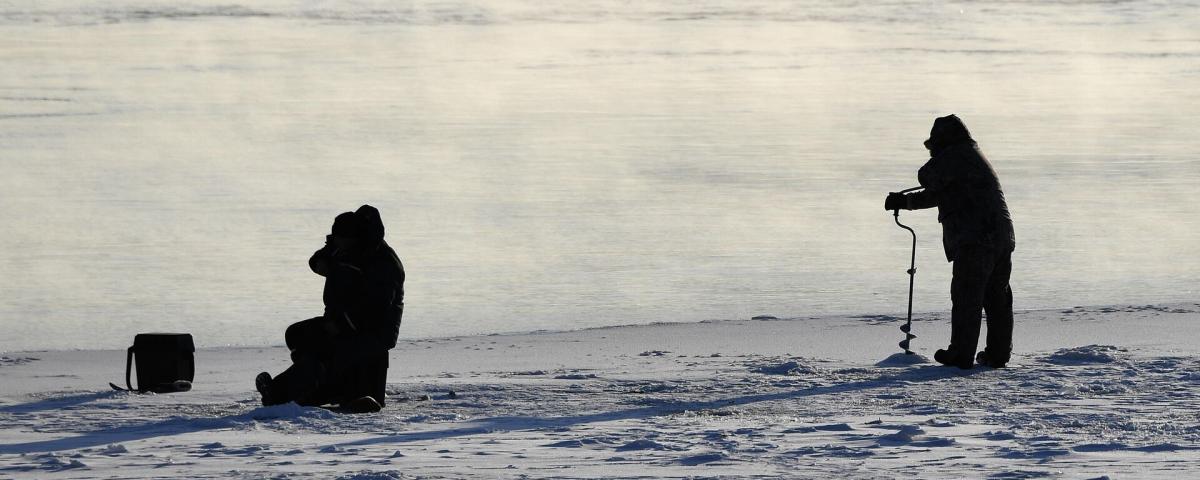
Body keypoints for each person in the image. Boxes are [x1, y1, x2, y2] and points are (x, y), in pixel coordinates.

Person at [885, 115, 1015, 369]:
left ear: (944, 142)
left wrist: (936, 158)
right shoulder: (968, 159)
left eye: (934, 145)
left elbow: (927, 175)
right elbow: (940, 194)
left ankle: (960, 354)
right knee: (996, 298)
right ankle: (997, 354)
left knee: (967, 296)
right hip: (1000, 235)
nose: (933, 150)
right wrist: (905, 202)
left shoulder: (958, 155)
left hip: (976, 238)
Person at [256, 205, 405, 411]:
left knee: (328, 351)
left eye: (342, 238)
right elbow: (318, 258)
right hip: (338, 320)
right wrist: (322, 264)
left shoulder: (383, 262)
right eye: (335, 238)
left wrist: (342, 324)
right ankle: (310, 385)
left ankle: (286, 390)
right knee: (298, 335)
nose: (337, 243)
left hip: (372, 330)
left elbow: (376, 307)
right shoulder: (342, 248)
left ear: (355, 237)